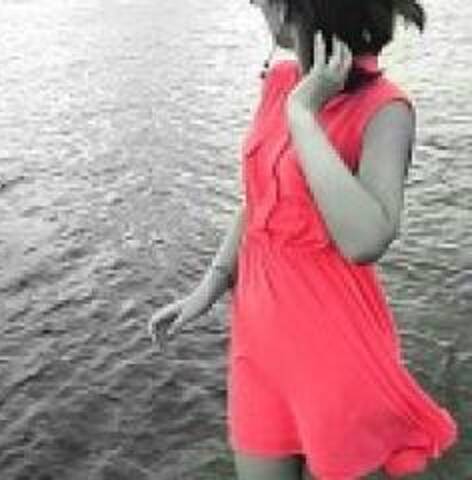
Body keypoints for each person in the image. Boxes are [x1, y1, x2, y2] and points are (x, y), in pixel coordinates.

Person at [148, 0, 460, 478]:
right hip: (259, 344)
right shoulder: (280, 82)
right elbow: (262, 197)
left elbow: (365, 239)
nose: (255, 5)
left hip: (333, 349)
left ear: (303, 11)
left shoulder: (385, 109)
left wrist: (303, 116)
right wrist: (210, 285)